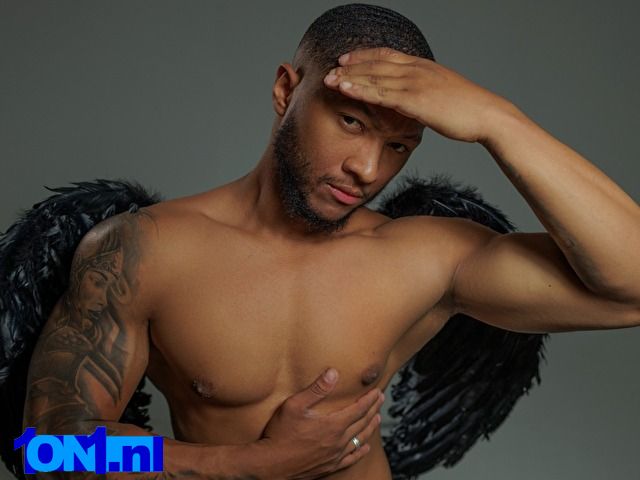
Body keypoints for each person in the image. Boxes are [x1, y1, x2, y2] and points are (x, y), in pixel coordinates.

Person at [19, 3, 640, 479]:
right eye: (351, 122)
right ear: (286, 91)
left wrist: (498, 122)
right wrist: (249, 464)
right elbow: (47, 451)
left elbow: (630, 288)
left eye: (398, 147)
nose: (367, 169)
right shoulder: (146, 252)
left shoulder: (424, 258)